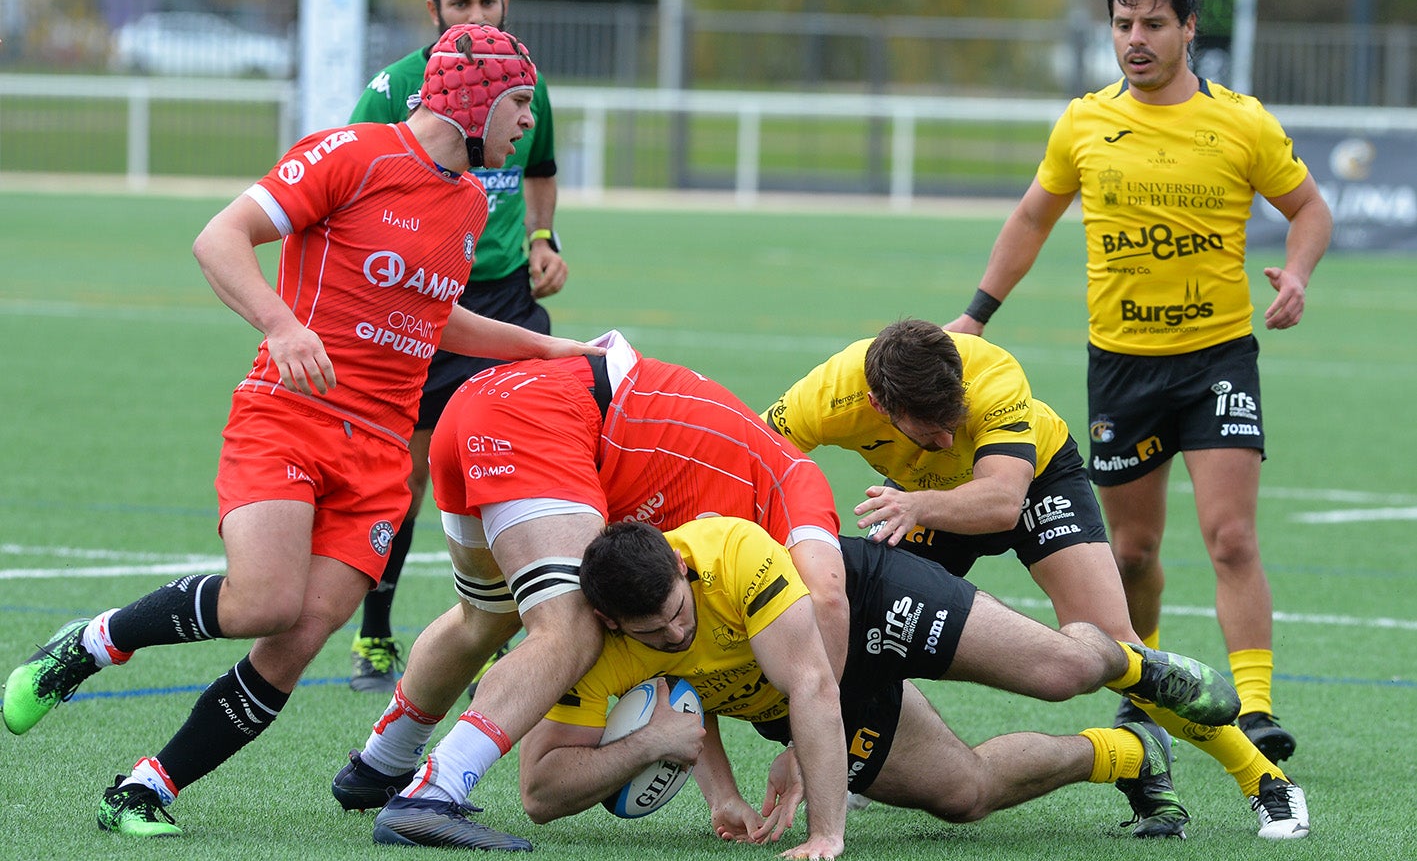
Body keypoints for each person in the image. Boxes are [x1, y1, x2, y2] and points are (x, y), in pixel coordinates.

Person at [0, 23, 602, 839]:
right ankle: (90, 645)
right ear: (476, 99)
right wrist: (283, 326)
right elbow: (219, 238)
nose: (530, 121)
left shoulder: (466, 203)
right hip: (290, 414)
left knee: (298, 638)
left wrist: (550, 346)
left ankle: (141, 789)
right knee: (263, 601)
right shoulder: (350, 153)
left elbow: (433, 318)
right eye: (521, 103)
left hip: (382, 455)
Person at [943, 0, 1332, 768]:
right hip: (1120, 365)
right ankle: (1146, 681)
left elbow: (1308, 208)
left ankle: (1254, 709)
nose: (1135, 40)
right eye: (1122, 24)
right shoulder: (1083, 122)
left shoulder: (1241, 122)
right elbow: (1030, 217)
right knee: (1131, 552)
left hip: (1217, 358)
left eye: (1153, 24)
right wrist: (975, 314)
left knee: (1228, 537)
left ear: (1188, 29)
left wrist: (1296, 273)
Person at [764, 317, 1308, 838]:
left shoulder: (993, 374)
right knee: (875, 625)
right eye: (932, 433)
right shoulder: (829, 392)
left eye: (955, 424)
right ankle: (1133, 755)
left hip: (1032, 484)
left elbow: (1002, 501)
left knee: (1117, 647)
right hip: (917, 500)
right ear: (880, 406)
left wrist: (919, 504)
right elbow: (753, 460)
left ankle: (1263, 778)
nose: (950, 442)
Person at [329, 331, 851, 850]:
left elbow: (681, 653)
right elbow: (827, 594)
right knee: (573, 625)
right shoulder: (787, 490)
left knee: (484, 616)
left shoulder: (729, 476)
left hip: (483, 404)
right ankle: (434, 792)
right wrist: (806, 745)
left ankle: (383, 764)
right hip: (541, 417)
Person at [518, 518, 1301, 857]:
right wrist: (693, 768)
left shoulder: (728, 553)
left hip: (863, 601)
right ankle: (1129, 751)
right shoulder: (606, 647)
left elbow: (812, 691)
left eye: (677, 614)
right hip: (802, 693)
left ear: (683, 570)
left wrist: (827, 831)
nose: (673, 635)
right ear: (608, 620)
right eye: (651, 634)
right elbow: (541, 792)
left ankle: (1133, 664)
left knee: (1058, 670)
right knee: (964, 794)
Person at [345, 0, 564, 694]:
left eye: (488, 1)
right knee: (405, 473)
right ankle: (375, 633)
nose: (476, 13)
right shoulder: (393, 88)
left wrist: (543, 239)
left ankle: (529, 630)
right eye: (460, 3)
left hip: (506, 298)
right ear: (432, 8)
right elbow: (357, 180)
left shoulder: (521, 80)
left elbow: (539, 170)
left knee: (521, 458)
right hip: (421, 305)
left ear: (506, 3)